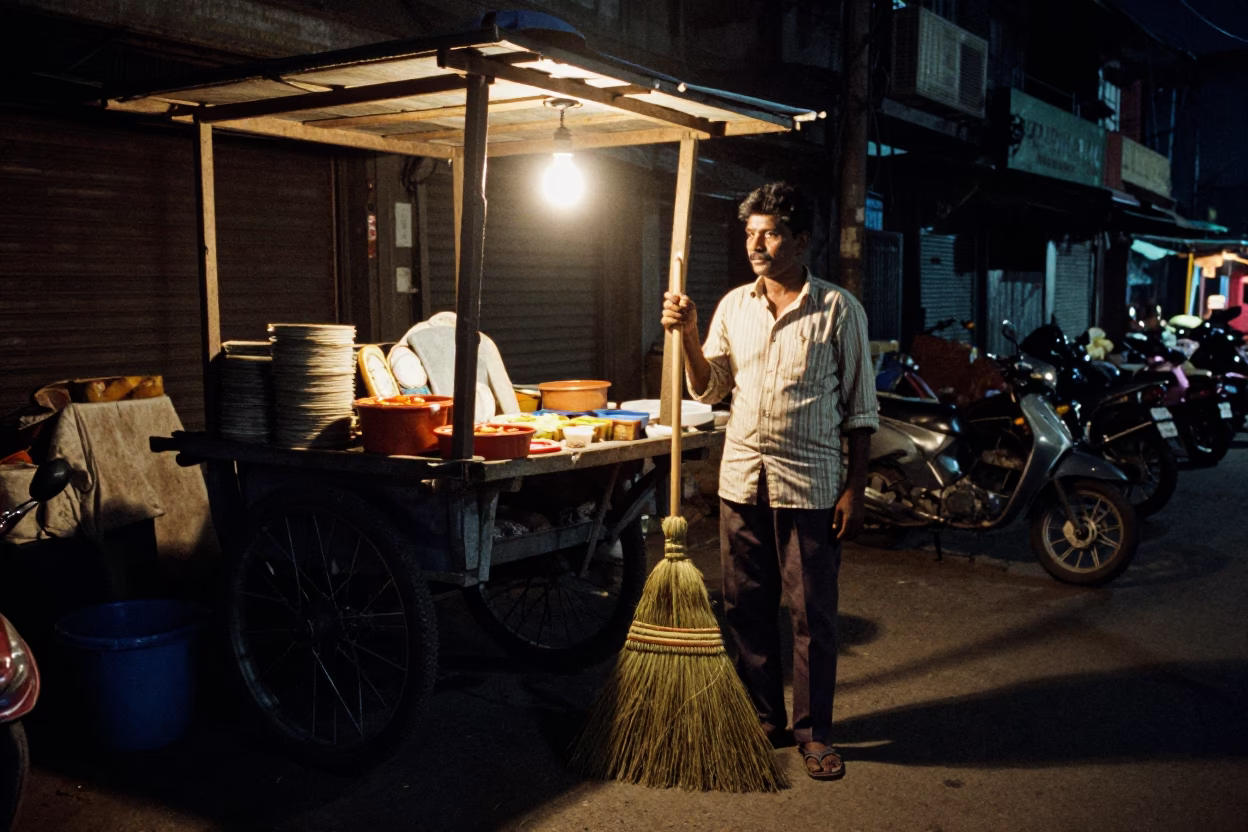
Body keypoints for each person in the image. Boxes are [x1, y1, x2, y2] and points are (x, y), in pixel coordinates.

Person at [660, 181, 878, 781]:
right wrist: (688, 334)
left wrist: (854, 487)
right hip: (741, 481)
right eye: (751, 233)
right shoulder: (732, 306)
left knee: (812, 615)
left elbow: (861, 411)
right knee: (745, 607)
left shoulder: (838, 310)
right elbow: (708, 389)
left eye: (771, 232)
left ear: (802, 240)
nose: (757, 244)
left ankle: (814, 732)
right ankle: (764, 717)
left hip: (810, 485)